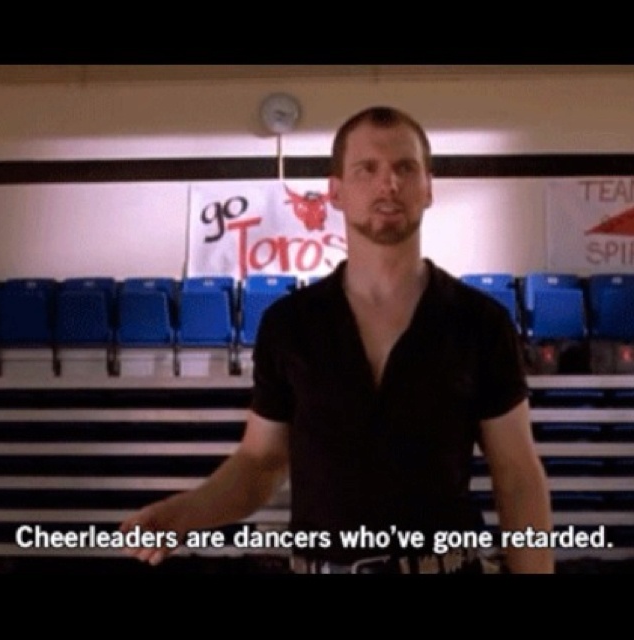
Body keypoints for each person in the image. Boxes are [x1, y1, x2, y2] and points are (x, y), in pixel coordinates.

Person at [119, 105, 554, 574]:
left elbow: (517, 475)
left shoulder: (480, 322)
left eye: (405, 168)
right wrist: (185, 513)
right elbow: (260, 462)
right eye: (367, 169)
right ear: (336, 191)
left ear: (428, 188)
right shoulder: (290, 325)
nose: (389, 183)